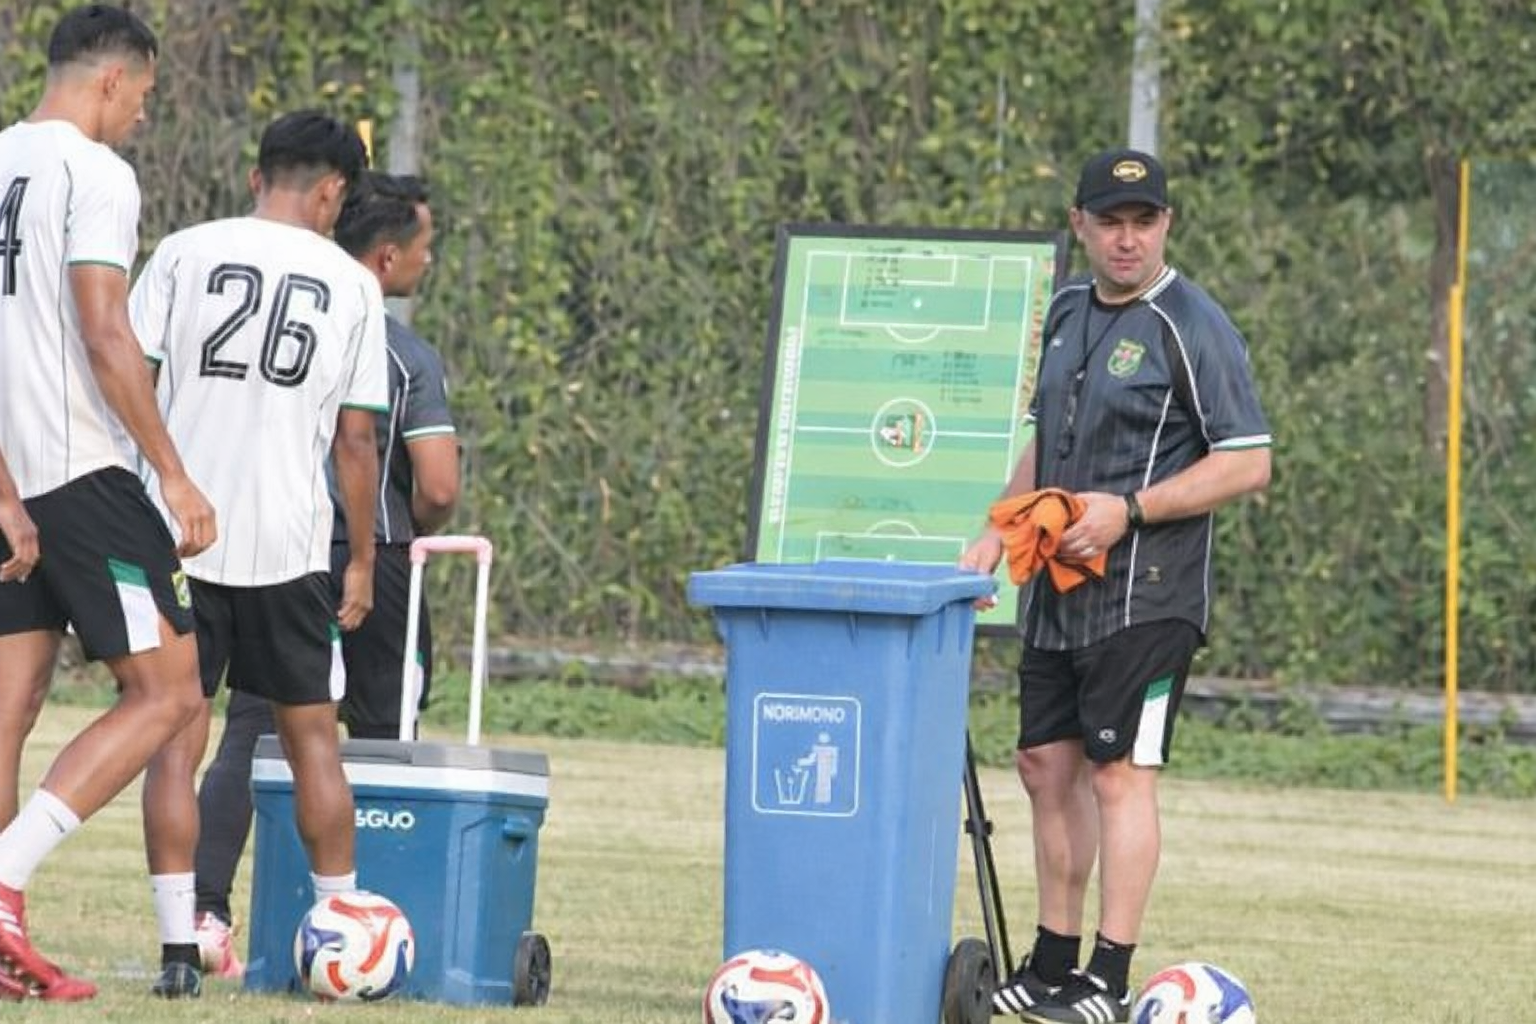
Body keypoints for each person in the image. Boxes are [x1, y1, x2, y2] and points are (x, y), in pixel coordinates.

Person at [962, 149, 1271, 1024]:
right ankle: (1050, 965)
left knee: (1119, 775)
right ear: (1081, 226)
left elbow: (1248, 462)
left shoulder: (1192, 324)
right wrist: (995, 531)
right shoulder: (1066, 310)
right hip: (1058, 592)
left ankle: (1108, 976)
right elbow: (1044, 437)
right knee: (1043, 767)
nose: (1126, 239)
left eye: (1143, 221)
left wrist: (1128, 512)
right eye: (1110, 222)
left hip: (1151, 597)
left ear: (1166, 223)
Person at [127, 110, 387, 998]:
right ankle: (343, 932)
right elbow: (356, 440)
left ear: (255, 176)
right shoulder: (353, 284)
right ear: (332, 193)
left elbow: (131, 375)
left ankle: (179, 948)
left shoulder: (181, 252)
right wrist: (360, 559)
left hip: (179, 534)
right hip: (289, 545)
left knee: (175, 738)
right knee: (313, 739)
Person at [188, 170, 459, 980]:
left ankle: (205, 913)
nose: (430, 261)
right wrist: (393, 537)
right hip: (372, 555)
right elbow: (438, 485)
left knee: (251, 732)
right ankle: (368, 921)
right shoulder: (403, 354)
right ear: (386, 257)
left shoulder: (266, 308)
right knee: (382, 738)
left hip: (279, 546)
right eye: (425, 246)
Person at [0, 3, 218, 1002]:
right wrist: (171, 471)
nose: (142, 114)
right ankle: (4, 879)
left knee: (11, 708)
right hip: (83, 472)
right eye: (145, 95)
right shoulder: (95, 173)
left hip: (13, 480)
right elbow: (105, 330)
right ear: (111, 79)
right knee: (171, 692)